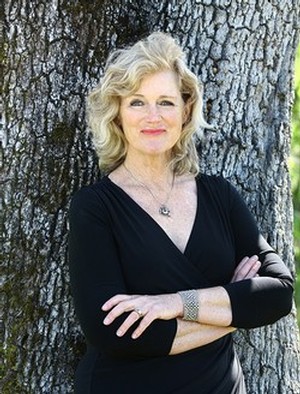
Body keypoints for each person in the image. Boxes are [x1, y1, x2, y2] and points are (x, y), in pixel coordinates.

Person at [68, 32, 294, 393]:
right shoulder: (95, 207)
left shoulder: (218, 195)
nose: (153, 116)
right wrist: (235, 306)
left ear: (186, 110)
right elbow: (112, 331)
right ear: (118, 113)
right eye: (137, 102)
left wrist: (174, 303)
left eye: (166, 102)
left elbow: (278, 294)